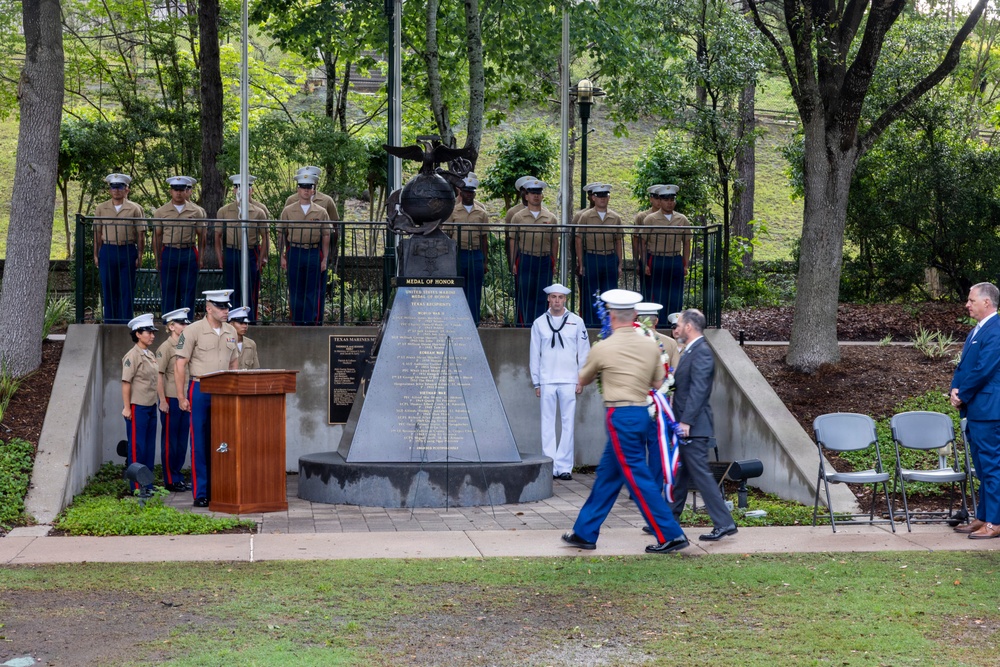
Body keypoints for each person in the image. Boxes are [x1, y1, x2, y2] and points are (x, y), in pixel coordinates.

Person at [562, 289, 689, 554]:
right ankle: (585, 531)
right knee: (608, 475)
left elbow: (582, 379)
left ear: (610, 316)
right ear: (634, 315)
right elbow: (657, 382)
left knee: (637, 476)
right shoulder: (651, 345)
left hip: (620, 415)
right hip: (641, 413)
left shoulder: (604, 346)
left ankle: (670, 533)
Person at [670, 308, 738, 541]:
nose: (676, 328)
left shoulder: (702, 351)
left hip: (693, 427)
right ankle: (669, 520)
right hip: (687, 425)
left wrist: (687, 421)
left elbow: (700, 390)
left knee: (701, 476)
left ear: (689, 327)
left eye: (678, 324)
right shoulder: (690, 350)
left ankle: (724, 523)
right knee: (681, 474)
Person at [175, 289, 239, 507]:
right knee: (200, 442)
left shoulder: (231, 330)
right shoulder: (193, 331)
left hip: (224, 390)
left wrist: (234, 389)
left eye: (227, 307)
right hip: (200, 388)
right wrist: (181, 396)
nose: (225, 311)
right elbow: (180, 364)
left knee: (223, 440)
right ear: (208, 308)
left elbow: (233, 363)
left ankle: (220, 488)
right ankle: (201, 492)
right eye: (221, 307)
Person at [950, 282, 1000, 538]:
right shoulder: (978, 330)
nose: (967, 304)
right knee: (982, 468)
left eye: (971, 300)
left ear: (986, 303)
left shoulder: (997, 329)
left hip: (990, 411)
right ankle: (983, 517)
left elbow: (984, 369)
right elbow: (964, 367)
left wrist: (963, 394)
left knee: (992, 467)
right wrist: (955, 389)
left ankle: (996, 522)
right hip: (976, 410)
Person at [530, 283, 591, 480]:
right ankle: (550, 465)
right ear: (548, 299)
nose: (557, 301)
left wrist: (581, 378)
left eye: (560, 297)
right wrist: (537, 382)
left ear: (565, 300)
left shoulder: (577, 321)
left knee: (567, 423)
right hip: (547, 379)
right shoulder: (539, 323)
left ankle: (564, 467)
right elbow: (534, 355)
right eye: (553, 297)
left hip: (569, 379)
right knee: (547, 423)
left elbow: (584, 352)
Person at [279, 173, 333, 326]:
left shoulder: (321, 211)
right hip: (294, 251)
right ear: (298, 189)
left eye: (309, 187)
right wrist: (282, 255)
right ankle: (297, 323)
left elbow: (326, 235)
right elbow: (281, 233)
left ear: (314, 190)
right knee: (296, 289)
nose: (306, 190)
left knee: (312, 290)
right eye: (303, 187)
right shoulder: (288, 210)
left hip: (313, 251)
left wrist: (325, 258)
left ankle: (311, 323)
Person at [93, 173, 146, 324]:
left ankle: (126, 322)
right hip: (108, 249)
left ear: (126, 189)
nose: (116, 190)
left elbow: (141, 234)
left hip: (127, 250)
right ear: (109, 190)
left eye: (120, 187)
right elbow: (97, 232)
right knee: (109, 289)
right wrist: (96, 254)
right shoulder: (101, 208)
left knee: (126, 289)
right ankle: (110, 322)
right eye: (113, 187)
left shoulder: (135, 209)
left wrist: (140, 255)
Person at [216, 174, 269, 323]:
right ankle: (232, 319)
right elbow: (217, 236)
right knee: (231, 288)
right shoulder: (225, 211)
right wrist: (220, 258)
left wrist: (263, 257)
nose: (240, 190)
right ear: (233, 190)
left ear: (251, 190)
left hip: (251, 251)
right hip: (231, 251)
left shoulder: (259, 211)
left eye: (245, 187)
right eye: (237, 187)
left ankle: (249, 319)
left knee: (250, 287)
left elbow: (265, 236)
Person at [153, 176, 206, 316]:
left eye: (181, 189)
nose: (178, 193)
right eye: (175, 189)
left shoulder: (196, 211)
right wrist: (157, 258)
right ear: (170, 191)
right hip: (169, 251)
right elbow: (157, 236)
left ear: (186, 190)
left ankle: (187, 322)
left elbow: (202, 235)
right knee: (168, 289)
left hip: (188, 251)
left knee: (188, 289)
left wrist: (201, 257)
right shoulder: (161, 212)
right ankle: (169, 321)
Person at [510, 179, 559, 326]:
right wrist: (513, 262)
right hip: (526, 258)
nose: (536, 196)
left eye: (538, 193)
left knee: (543, 295)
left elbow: (555, 241)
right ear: (526, 196)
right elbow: (513, 240)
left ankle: (541, 325)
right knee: (525, 294)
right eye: (532, 193)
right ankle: (524, 325)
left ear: (542, 196)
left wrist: (554, 262)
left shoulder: (550, 217)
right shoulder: (518, 217)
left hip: (544, 259)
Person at [575, 184, 623, 327]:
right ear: (593, 198)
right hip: (592, 256)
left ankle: (609, 325)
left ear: (608, 197)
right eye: (599, 196)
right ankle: (591, 325)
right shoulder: (585, 216)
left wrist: (619, 264)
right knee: (591, 294)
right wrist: (581, 262)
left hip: (609, 257)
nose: (602, 199)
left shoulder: (615, 217)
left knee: (610, 294)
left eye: (605, 196)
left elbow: (619, 241)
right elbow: (578, 239)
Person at [155, 307, 191, 493]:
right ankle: (170, 479)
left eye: (186, 323)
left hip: (184, 398)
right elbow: (159, 375)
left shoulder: (186, 345)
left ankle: (178, 475)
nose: (185, 325)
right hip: (170, 398)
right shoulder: (165, 348)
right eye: (181, 323)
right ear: (171, 326)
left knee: (182, 440)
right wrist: (162, 400)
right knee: (170, 441)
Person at [639, 185, 690, 313]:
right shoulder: (650, 219)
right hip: (657, 258)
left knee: (676, 294)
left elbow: (687, 242)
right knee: (657, 293)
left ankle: (673, 322)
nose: (669, 203)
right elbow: (642, 242)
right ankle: (659, 322)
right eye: (666, 200)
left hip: (675, 258)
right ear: (660, 201)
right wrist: (645, 263)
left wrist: (685, 264)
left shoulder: (682, 219)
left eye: (672, 200)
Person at [122, 313, 158, 492]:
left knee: (149, 447)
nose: (152, 335)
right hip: (138, 406)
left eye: (152, 332)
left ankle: (148, 484)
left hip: (151, 405)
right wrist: (127, 407)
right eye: (148, 332)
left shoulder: (149, 354)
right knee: (137, 448)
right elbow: (126, 382)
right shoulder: (132, 356)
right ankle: (137, 486)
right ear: (137, 333)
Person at [633, 185, 664, 297]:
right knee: (648, 292)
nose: (659, 201)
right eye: (656, 198)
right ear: (651, 199)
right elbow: (636, 240)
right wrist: (637, 262)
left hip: (663, 256)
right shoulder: (642, 217)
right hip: (648, 256)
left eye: (662, 198)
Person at [504, 175, 533, 270]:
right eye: (524, 190)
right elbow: (508, 237)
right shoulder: (512, 212)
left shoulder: (545, 212)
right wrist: (511, 261)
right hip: (520, 253)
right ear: (520, 192)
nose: (526, 192)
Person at [228, 306, 260, 370]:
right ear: (231, 324)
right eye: (241, 323)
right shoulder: (224, 343)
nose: (245, 326)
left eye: (246, 323)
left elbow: (256, 369)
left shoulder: (251, 344)